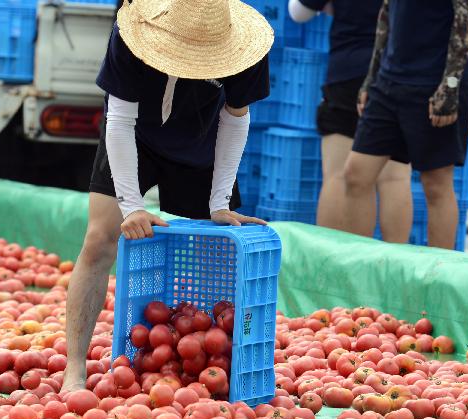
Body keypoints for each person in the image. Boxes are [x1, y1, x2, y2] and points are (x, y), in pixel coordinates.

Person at [60, 0, 274, 393]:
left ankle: (209, 367)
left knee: (216, 256)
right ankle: (74, 371)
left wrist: (219, 202)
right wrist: (132, 206)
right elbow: (120, 120)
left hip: (201, 143)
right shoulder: (132, 32)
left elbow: (235, 117)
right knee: (99, 240)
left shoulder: (247, 48)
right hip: (134, 136)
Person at [343, 0, 468, 249]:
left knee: (436, 183)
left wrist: (449, 87)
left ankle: (439, 277)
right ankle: (356, 272)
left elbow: (465, 20)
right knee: (356, 173)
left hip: (435, 83)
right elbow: (386, 11)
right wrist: (372, 77)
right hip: (389, 80)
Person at [288, 0, 412, 243]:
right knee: (395, 176)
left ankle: (332, 264)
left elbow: (299, 13)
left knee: (337, 174)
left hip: (349, 69)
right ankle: (398, 269)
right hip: (396, 71)